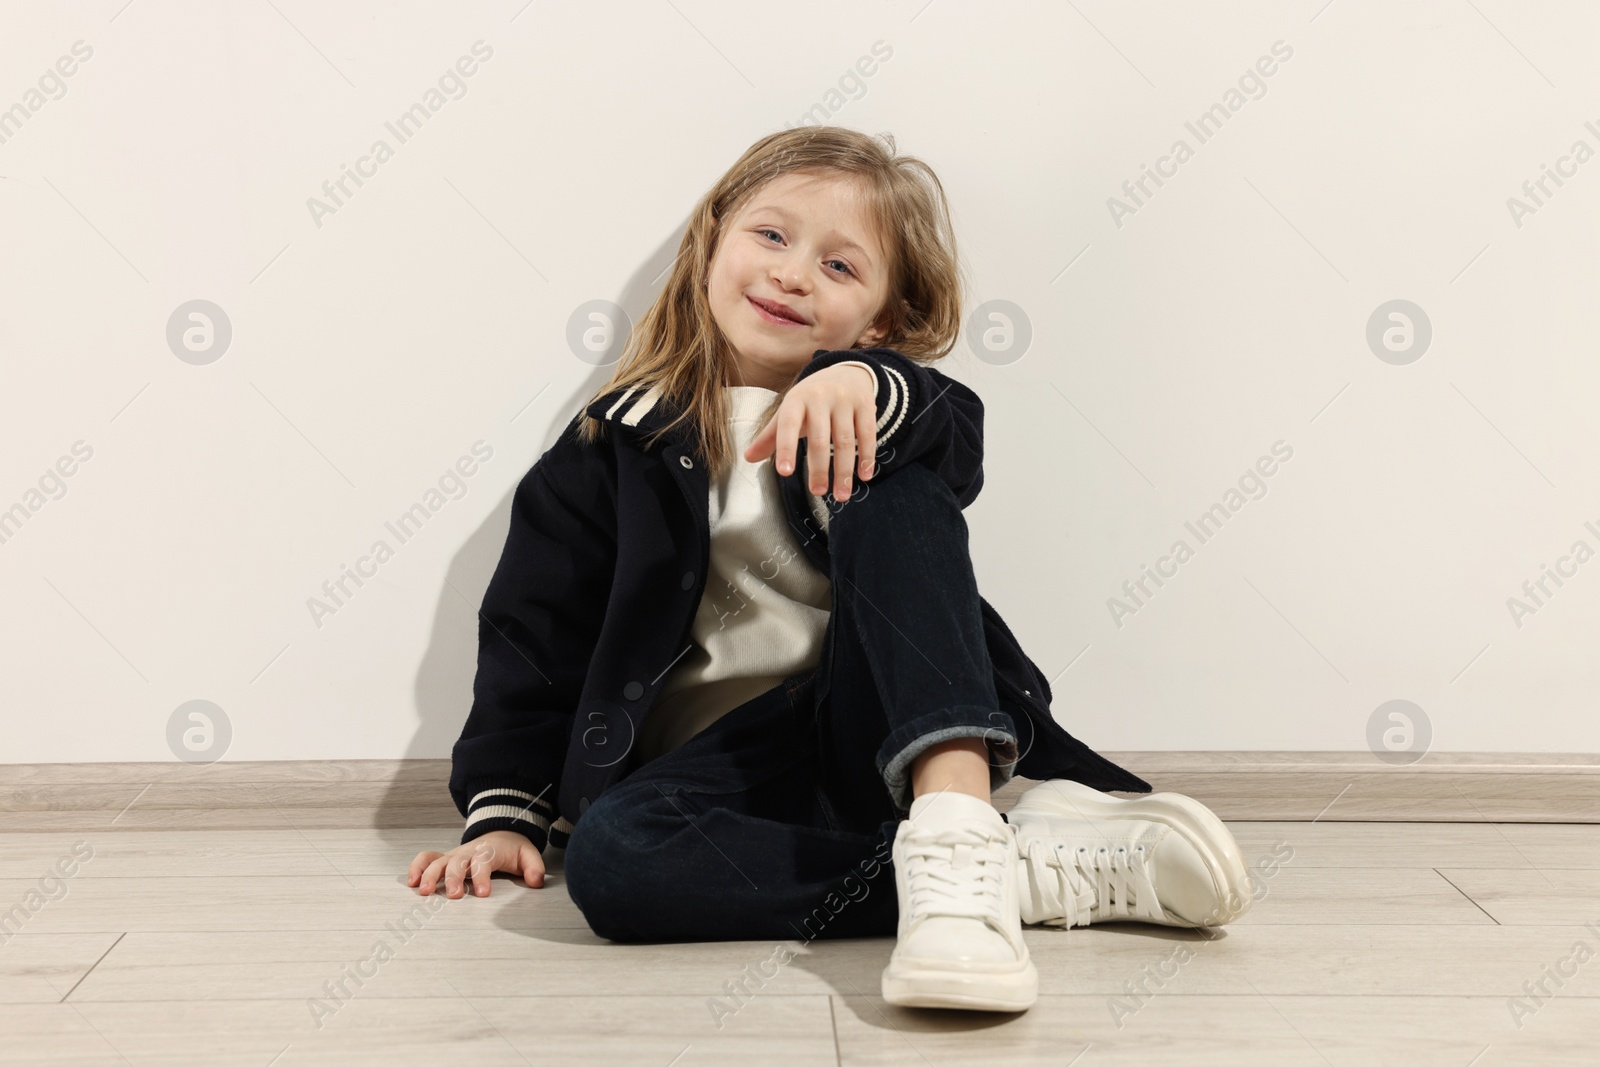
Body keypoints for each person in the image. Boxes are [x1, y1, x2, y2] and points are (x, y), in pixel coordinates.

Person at [407, 126, 1254, 1013]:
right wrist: (506, 812)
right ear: (713, 241)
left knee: (900, 490)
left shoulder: (886, 412)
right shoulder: (609, 450)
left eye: (840, 267)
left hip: (876, 735)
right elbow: (532, 645)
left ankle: (960, 822)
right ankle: (1017, 874)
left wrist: (867, 383)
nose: (793, 273)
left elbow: (951, 438)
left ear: (879, 321)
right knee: (614, 863)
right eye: (770, 236)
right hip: (715, 776)